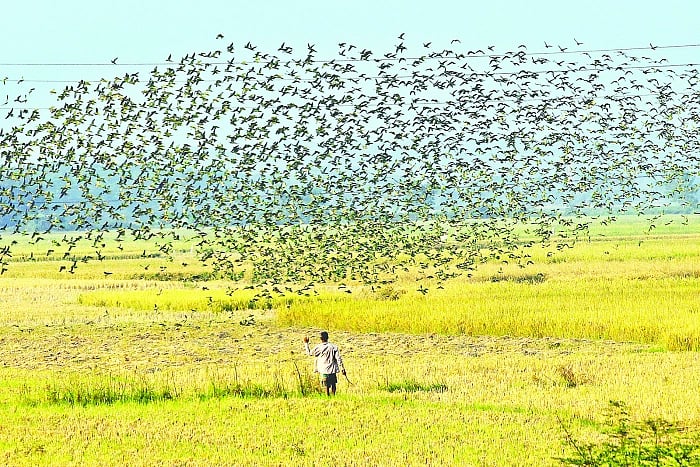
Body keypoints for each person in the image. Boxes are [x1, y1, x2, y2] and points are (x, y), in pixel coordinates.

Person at [303, 331, 346, 396]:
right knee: (333, 384)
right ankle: (333, 397)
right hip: (332, 370)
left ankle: (327, 397)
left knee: (326, 386)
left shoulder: (318, 347)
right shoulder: (334, 347)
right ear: (328, 337)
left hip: (323, 370)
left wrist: (306, 343)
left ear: (320, 338)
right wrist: (342, 368)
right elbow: (338, 359)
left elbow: (309, 353)